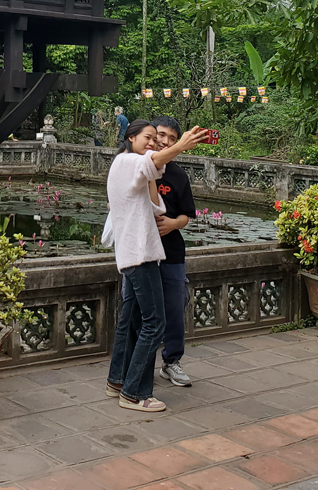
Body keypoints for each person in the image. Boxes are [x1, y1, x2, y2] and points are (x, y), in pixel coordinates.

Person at [105, 119, 208, 413]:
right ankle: (135, 392)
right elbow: (152, 163)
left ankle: (118, 381)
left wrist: (151, 169)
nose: (153, 143)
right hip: (141, 254)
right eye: (149, 138)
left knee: (135, 319)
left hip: (145, 254)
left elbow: (157, 207)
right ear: (130, 138)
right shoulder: (125, 161)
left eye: (158, 139)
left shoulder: (138, 167)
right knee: (154, 323)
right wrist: (180, 146)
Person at [152, 116, 194, 388]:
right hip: (141, 251)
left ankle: (171, 362)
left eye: (172, 137)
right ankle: (137, 363)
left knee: (176, 307)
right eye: (161, 135)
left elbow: (187, 215)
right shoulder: (136, 167)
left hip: (172, 251)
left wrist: (173, 223)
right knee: (135, 310)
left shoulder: (178, 175)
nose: (165, 141)